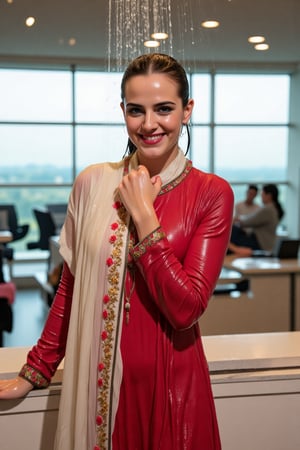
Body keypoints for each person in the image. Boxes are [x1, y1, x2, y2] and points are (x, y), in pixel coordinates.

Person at [0, 53, 234, 450]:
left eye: (164, 109)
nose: (149, 124)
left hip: (171, 386)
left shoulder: (211, 193)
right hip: (96, 384)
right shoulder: (93, 182)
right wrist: (35, 370)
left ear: (187, 110)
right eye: (135, 110)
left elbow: (186, 309)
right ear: (122, 111)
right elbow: (69, 290)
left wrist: (144, 214)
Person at [228, 183, 284, 256]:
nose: (261, 197)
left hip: (260, 243)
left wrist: (236, 219)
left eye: (263, 194)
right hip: (260, 240)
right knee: (234, 231)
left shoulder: (267, 209)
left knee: (233, 231)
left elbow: (248, 221)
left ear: (269, 196)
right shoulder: (272, 208)